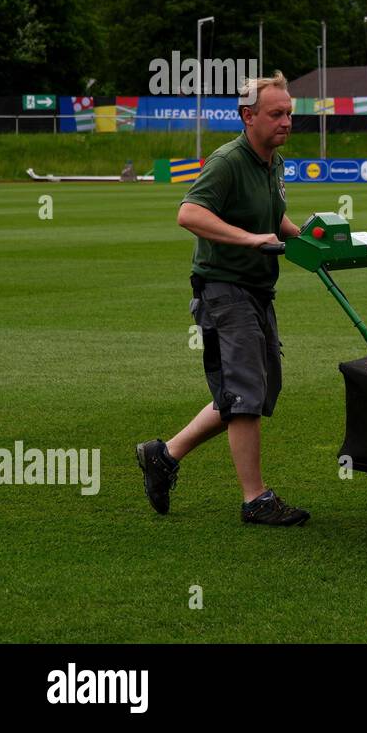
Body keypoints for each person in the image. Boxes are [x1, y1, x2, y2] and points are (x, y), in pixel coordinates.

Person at [136, 71, 309, 526]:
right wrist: (248, 240)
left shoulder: (272, 161)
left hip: (256, 290)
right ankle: (256, 499)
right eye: (277, 114)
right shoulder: (228, 160)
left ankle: (164, 455)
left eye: (289, 113)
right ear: (248, 116)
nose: (287, 121)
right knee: (246, 394)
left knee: (259, 388)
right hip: (223, 290)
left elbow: (276, 217)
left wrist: (308, 234)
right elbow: (188, 213)